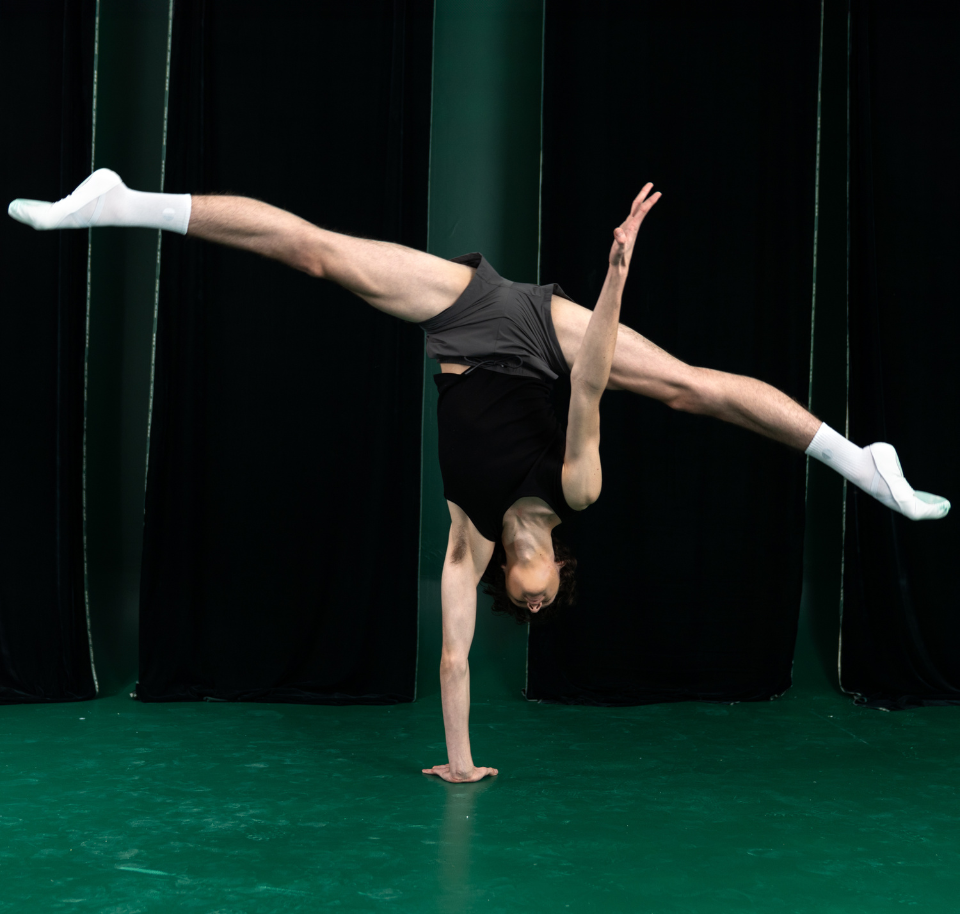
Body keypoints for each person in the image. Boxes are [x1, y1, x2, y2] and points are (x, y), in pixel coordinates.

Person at [8, 169, 951, 783]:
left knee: (319, 259)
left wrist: (460, 763)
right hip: (542, 333)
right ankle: (121, 201)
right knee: (684, 390)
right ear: (557, 573)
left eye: (526, 609)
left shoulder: (467, 541)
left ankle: (855, 460)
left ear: (510, 579)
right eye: (547, 605)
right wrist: (617, 273)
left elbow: (454, 660)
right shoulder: (575, 495)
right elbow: (588, 387)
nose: (535, 609)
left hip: (465, 330)